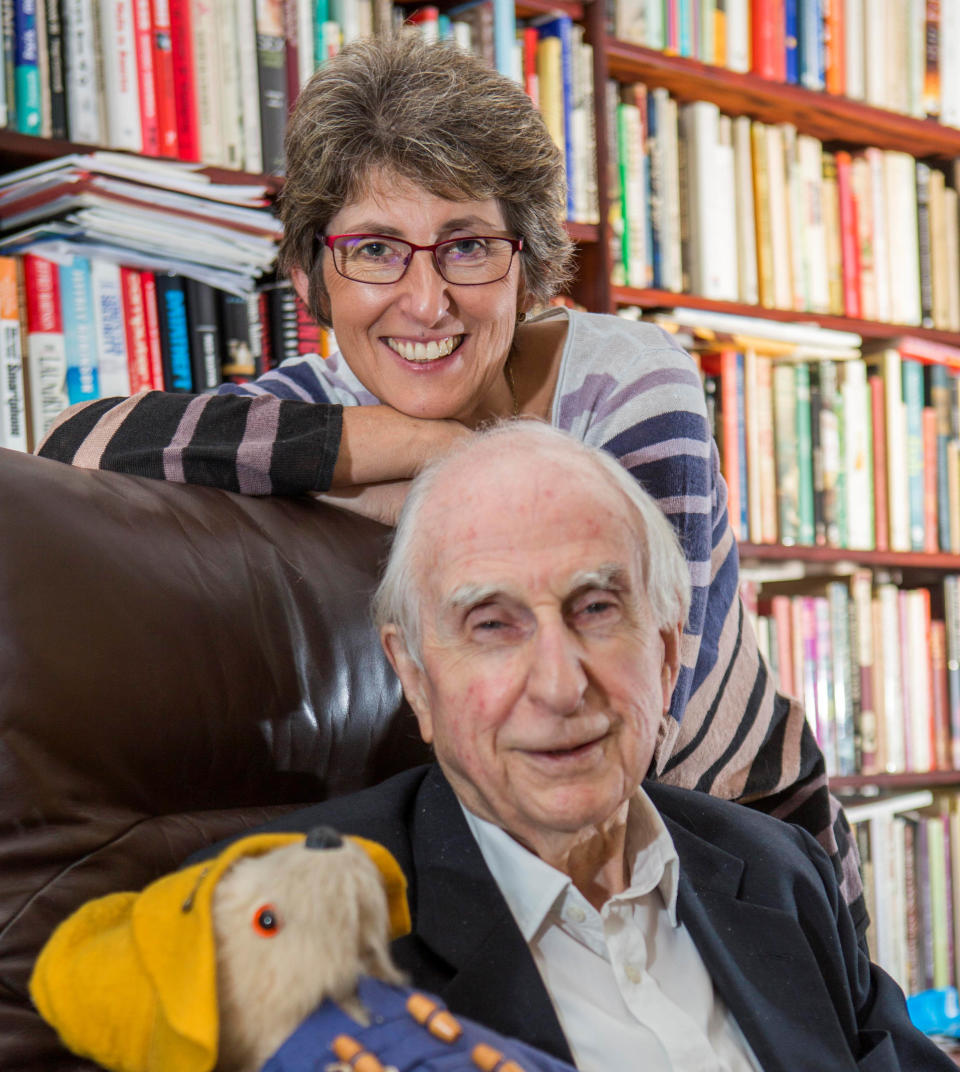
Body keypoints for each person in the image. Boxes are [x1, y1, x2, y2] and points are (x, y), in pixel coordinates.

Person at [4, 420, 960, 1072]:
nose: (561, 685)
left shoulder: (772, 866)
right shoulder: (289, 920)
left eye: (598, 610)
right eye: (492, 625)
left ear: (670, 653)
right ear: (413, 676)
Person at [37, 31, 864, 945]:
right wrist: (410, 442)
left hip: (746, 851)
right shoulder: (323, 409)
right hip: (519, 860)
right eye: (376, 249)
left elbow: (630, 722)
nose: (425, 302)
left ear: (529, 262)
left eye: (467, 246)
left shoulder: (632, 378)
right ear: (314, 272)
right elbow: (79, 445)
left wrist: (434, 463)